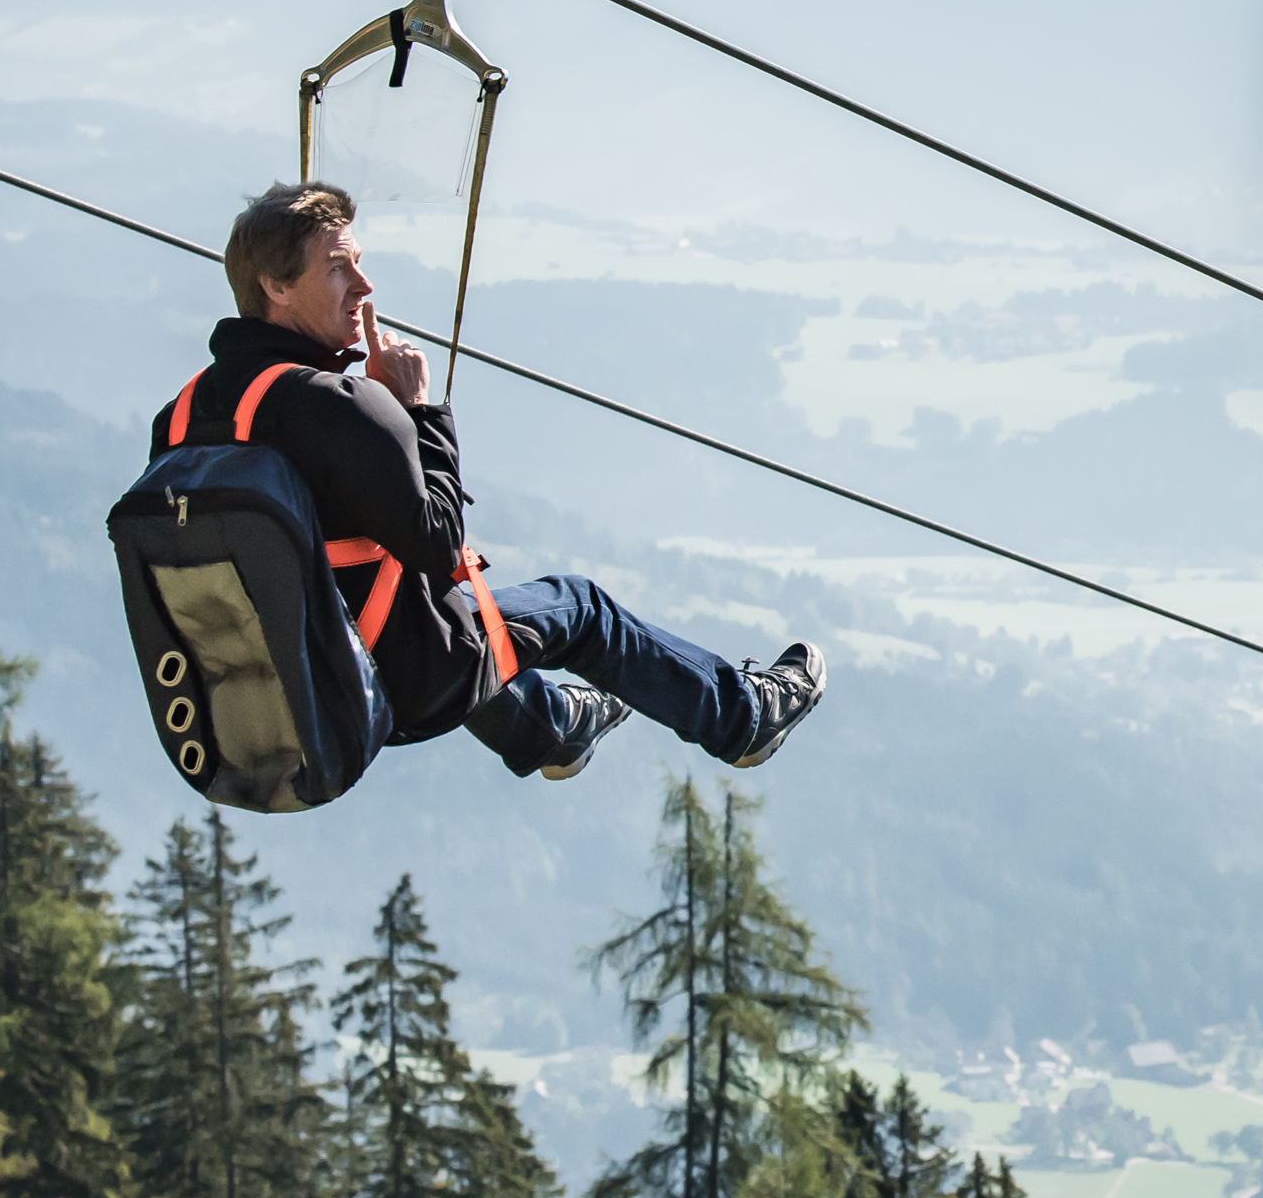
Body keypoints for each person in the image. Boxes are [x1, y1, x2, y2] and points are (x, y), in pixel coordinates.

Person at [159, 180, 831, 781]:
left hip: (282, 687)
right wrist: (417, 411)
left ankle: (545, 728)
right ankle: (743, 718)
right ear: (275, 287)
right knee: (580, 609)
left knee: (439, 614)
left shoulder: (182, 418)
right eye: (339, 267)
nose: (363, 287)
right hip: (390, 680)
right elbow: (439, 543)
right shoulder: (332, 404)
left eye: (358, 263)